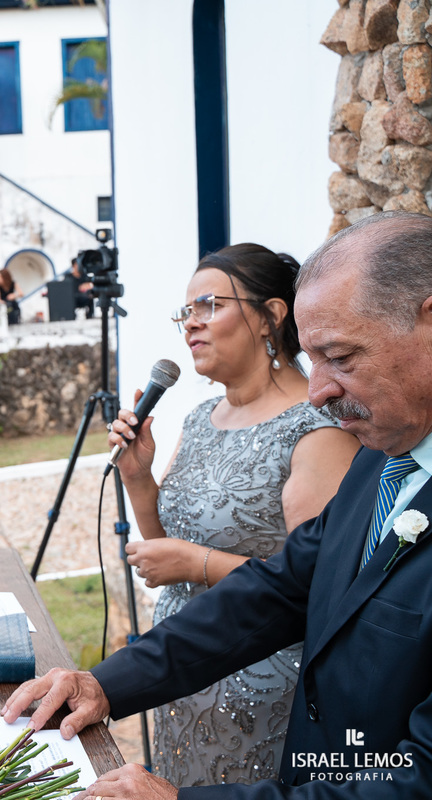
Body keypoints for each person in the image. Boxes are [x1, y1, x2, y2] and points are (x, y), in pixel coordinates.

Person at [2, 211, 432, 799]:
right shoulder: (381, 461)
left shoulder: (343, 441)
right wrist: (103, 685)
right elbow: (279, 590)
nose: (319, 391)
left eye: (342, 356)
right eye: (315, 358)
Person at [109, 244, 358, 785]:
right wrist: (137, 476)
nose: (191, 325)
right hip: (178, 669)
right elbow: (162, 549)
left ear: (272, 314)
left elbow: (320, 590)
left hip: (259, 682)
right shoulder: (202, 418)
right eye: (186, 314)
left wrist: (194, 562)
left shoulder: (314, 431)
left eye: (208, 306)